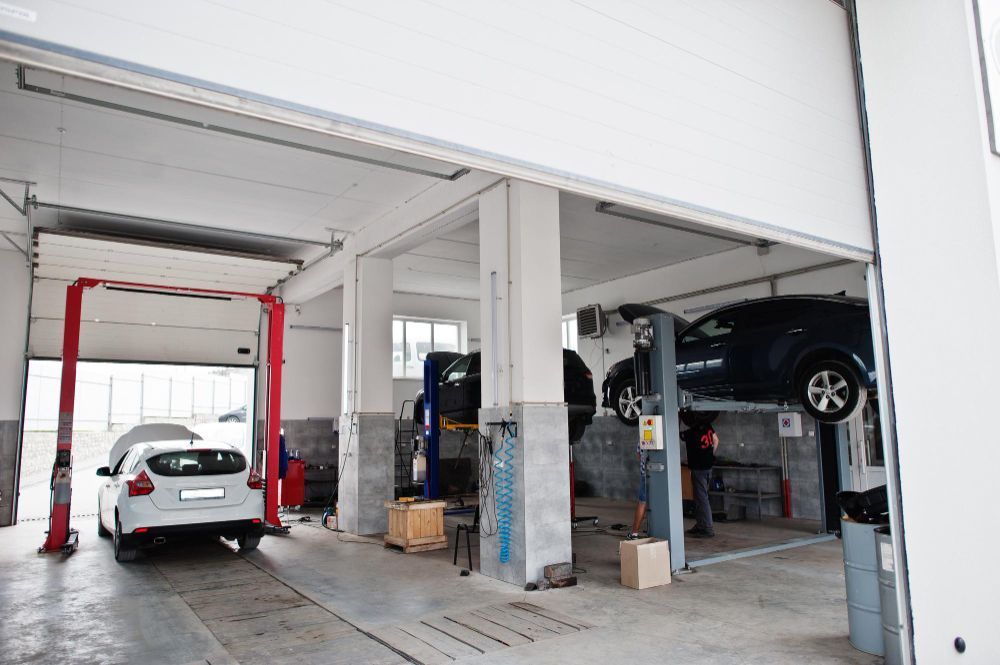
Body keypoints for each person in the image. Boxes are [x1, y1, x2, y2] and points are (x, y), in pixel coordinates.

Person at [682, 419, 720, 538]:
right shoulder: (707, 425)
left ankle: (708, 528)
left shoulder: (690, 433)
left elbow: (676, 434)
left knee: (702, 498)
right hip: (708, 467)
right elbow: (716, 440)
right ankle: (701, 525)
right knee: (699, 497)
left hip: (699, 469)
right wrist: (709, 455)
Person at [627, 440, 648, 539]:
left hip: (646, 474)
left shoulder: (642, 438)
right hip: (660, 475)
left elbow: (639, 456)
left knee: (642, 502)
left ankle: (634, 533)